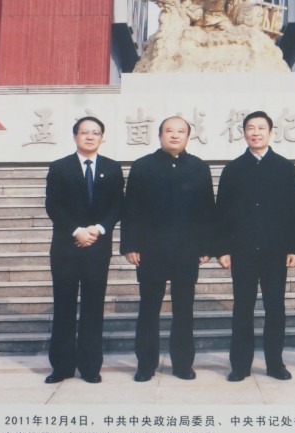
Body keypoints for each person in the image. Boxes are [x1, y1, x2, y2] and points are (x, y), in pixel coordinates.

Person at [121, 116, 215, 382]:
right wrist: (130, 244)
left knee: (184, 310)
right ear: (160, 135)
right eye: (169, 131)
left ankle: (183, 364)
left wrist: (207, 245)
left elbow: (207, 209)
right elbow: (131, 208)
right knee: (148, 309)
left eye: (180, 131)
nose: (175, 135)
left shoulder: (199, 167)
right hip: (150, 250)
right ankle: (146, 365)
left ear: (188, 136)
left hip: (187, 250)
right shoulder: (142, 166)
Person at [216, 110, 295, 382]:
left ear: (270, 132)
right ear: (243, 133)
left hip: (275, 251)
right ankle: (240, 365)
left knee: (275, 308)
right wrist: (222, 249)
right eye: (251, 128)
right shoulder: (233, 169)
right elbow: (221, 212)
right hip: (241, 250)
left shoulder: (284, 167)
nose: (256, 133)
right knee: (243, 308)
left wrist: (294, 247)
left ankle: (275, 363)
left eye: (261, 128)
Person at [44, 116, 125, 384]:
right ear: (75, 136)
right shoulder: (59, 167)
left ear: (102, 137)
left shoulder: (112, 168)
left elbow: (118, 205)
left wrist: (98, 229)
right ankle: (62, 367)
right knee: (64, 306)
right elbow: (53, 205)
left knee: (93, 307)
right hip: (66, 247)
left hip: (97, 248)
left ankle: (90, 367)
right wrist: (76, 230)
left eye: (95, 133)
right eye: (85, 132)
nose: (90, 137)